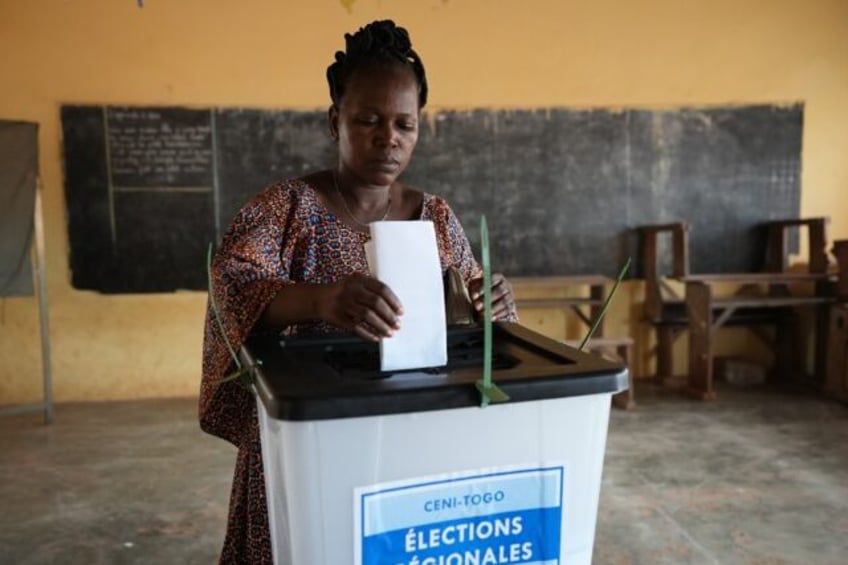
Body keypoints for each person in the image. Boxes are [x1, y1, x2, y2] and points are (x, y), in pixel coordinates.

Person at [200, 19, 518, 563]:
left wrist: (492, 304)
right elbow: (234, 288)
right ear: (335, 121)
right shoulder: (286, 210)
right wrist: (322, 299)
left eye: (404, 124)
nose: (387, 137)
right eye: (368, 119)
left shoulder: (435, 216)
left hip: (407, 429)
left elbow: (467, 310)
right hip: (305, 431)